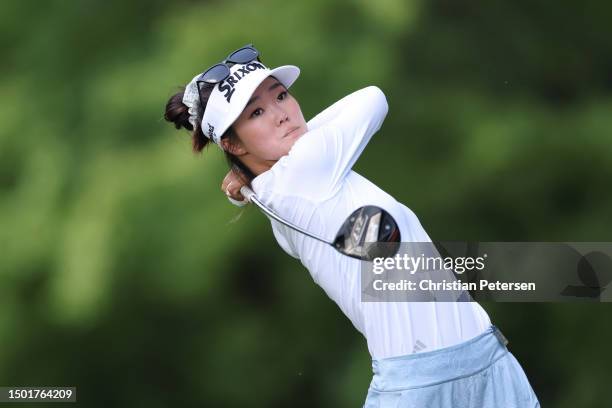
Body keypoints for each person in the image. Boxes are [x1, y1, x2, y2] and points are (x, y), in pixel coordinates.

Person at [164, 44, 540, 407]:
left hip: (479, 358)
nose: (282, 113)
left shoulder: (284, 189)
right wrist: (251, 175)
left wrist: (244, 177)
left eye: (280, 97)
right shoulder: (309, 164)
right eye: (256, 113)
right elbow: (373, 98)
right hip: (428, 385)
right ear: (233, 145)